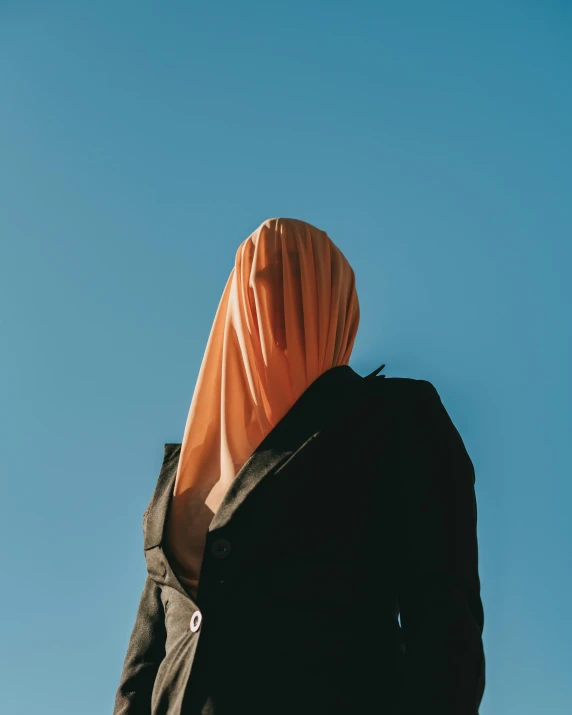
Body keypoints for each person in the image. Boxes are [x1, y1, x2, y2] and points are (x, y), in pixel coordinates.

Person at [113, 217, 485, 715]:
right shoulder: (184, 479)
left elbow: (445, 621)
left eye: (298, 284)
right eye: (262, 285)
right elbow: (141, 672)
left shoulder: (394, 418)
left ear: (335, 307)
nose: (279, 303)